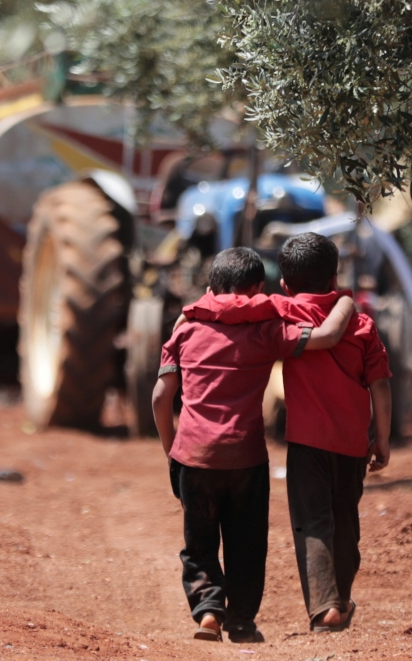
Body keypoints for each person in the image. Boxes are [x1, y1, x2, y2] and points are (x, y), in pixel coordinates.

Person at [182, 232, 392, 633]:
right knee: (345, 521)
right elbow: (381, 385)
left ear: (284, 283)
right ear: (334, 276)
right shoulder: (362, 323)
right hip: (351, 444)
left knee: (312, 522)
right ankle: (341, 600)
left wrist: (190, 316)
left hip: (305, 442)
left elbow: (233, 309)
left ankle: (325, 605)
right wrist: (381, 438)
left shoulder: (282, 309)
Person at [151, 247, 355, 643]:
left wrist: (171, 450)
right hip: (246, 457)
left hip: (193, 456)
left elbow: (161, 397)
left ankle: (208, 611)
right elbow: (328, 336)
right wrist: (346, 301)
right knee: (247, 543)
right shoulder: (267, 332)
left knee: (200, 542)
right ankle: (242, 621)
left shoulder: (186, 329)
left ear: (210, 286)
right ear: (259, 288)